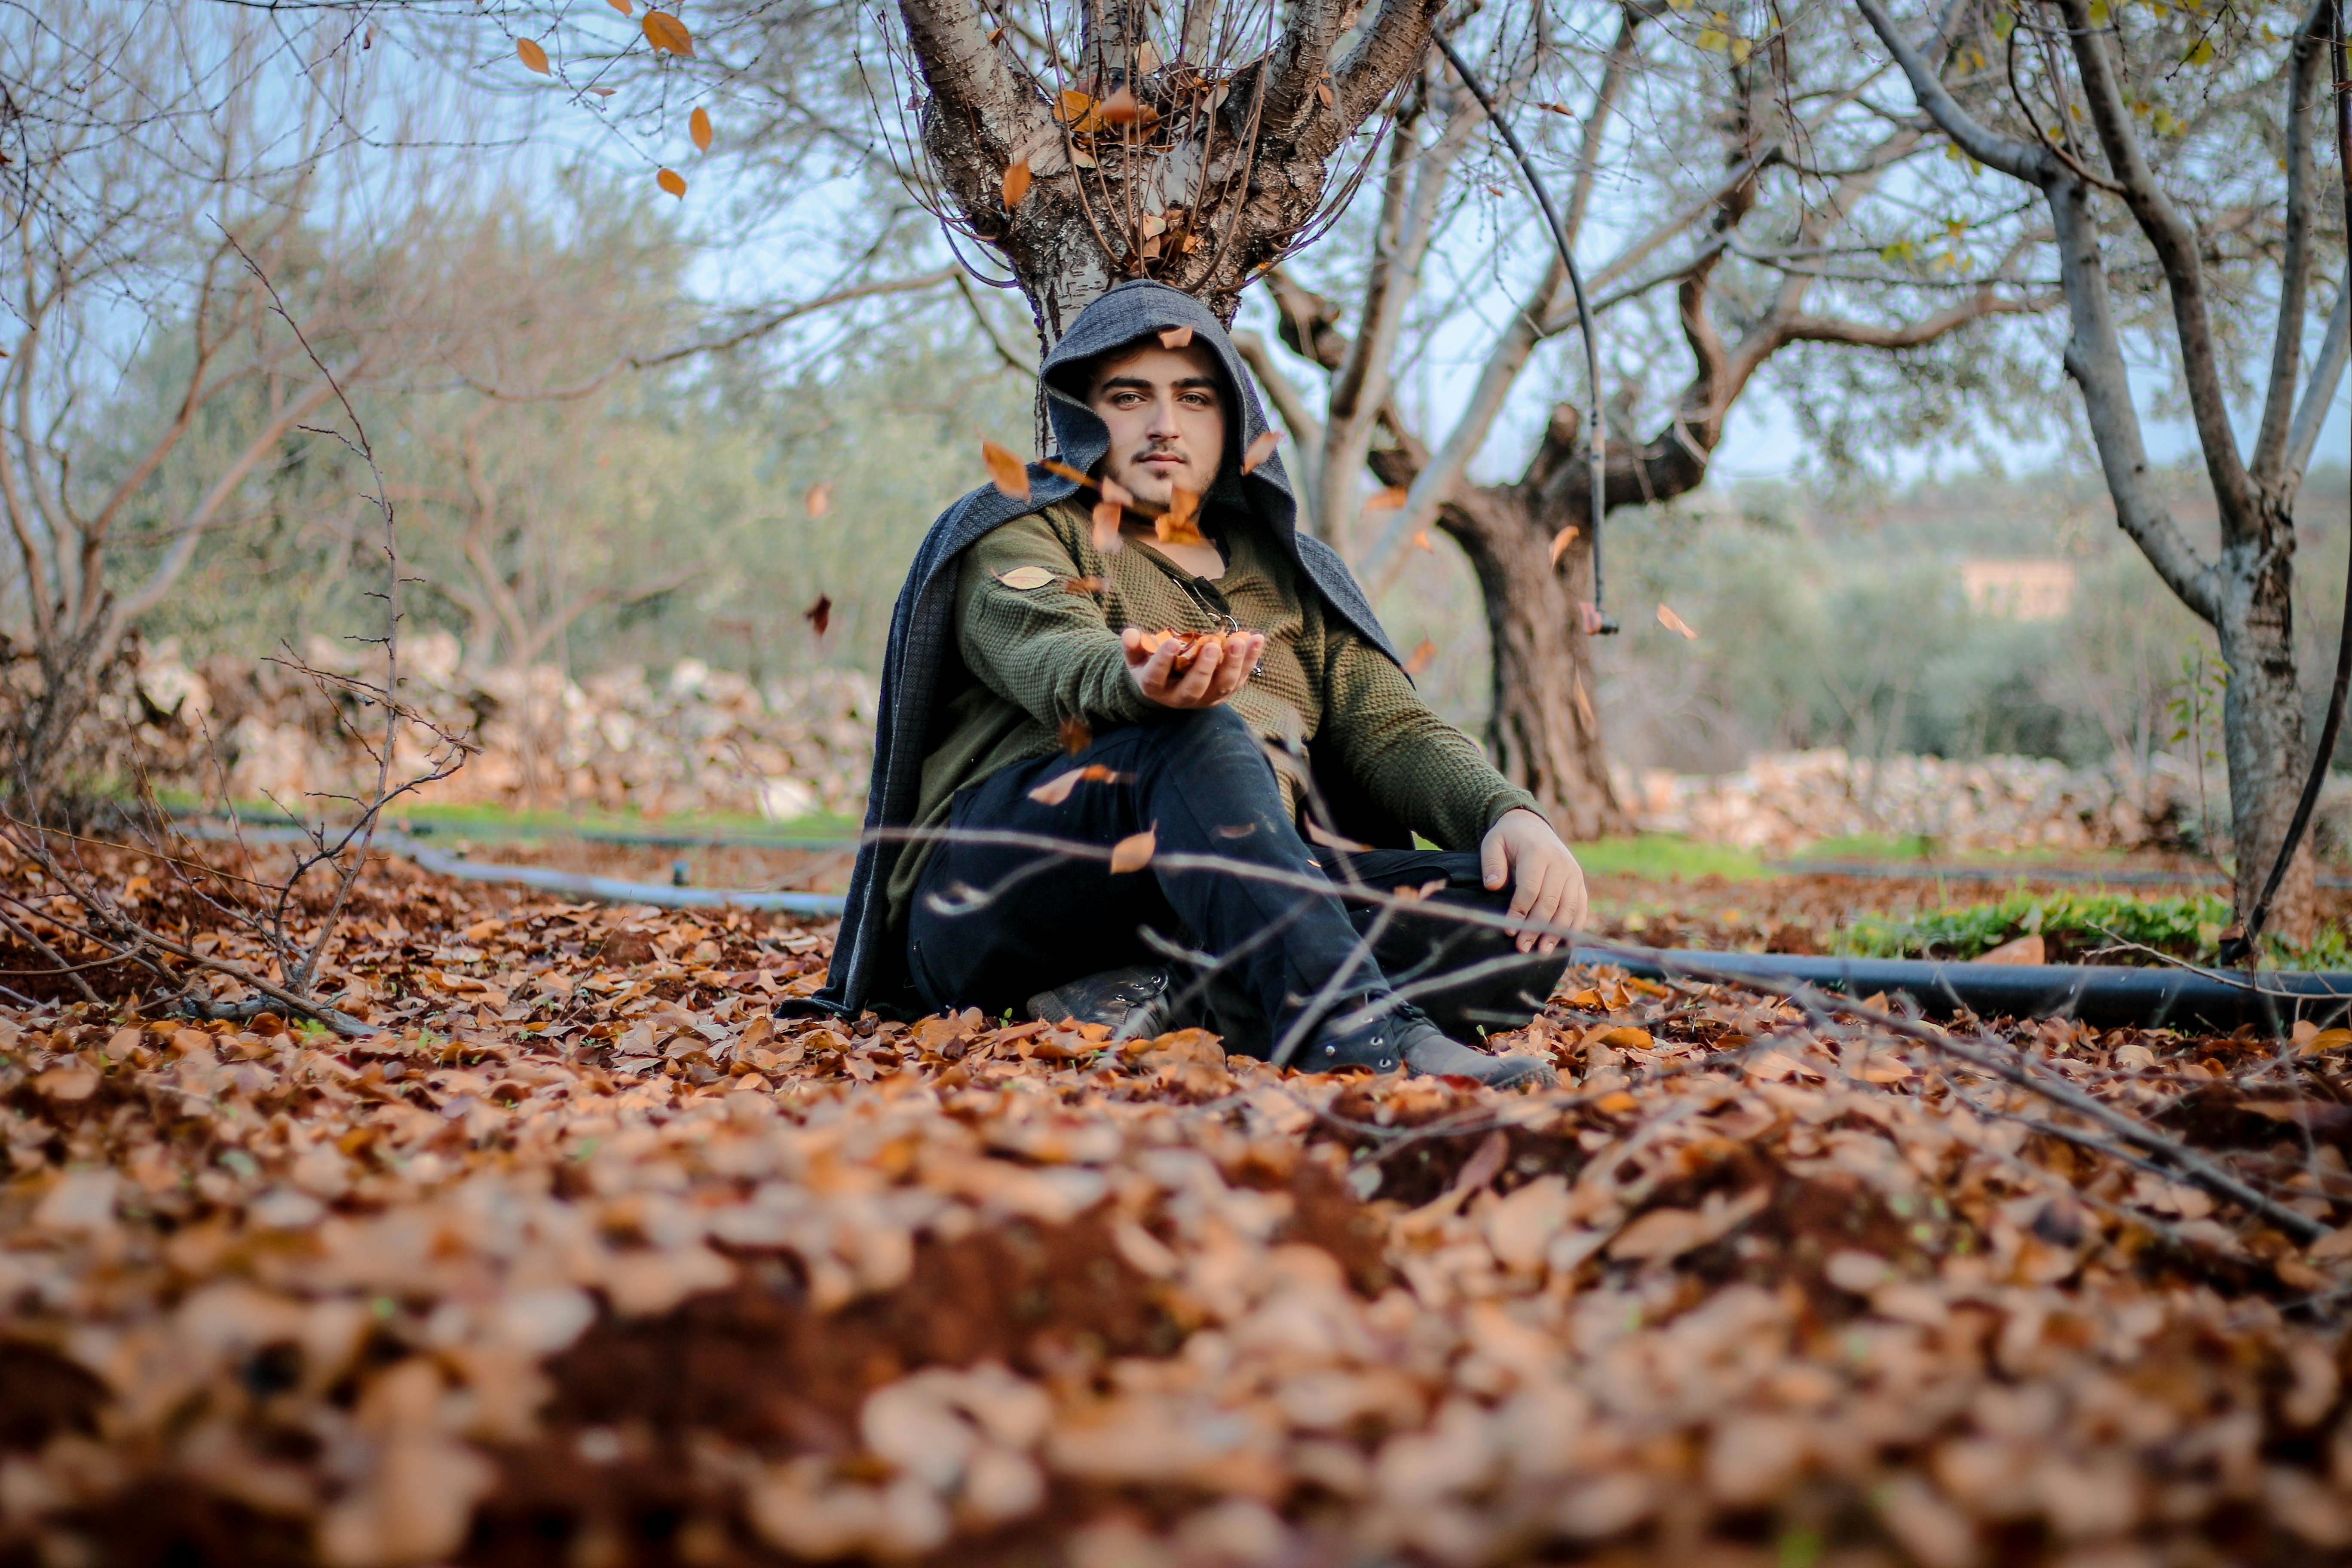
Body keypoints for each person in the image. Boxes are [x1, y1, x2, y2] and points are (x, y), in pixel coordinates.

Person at [787, 280, 1586, 1086]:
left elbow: (1392, 729)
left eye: (1193, 398)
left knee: (1511, 915)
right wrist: (1135, 680)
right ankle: (1368, 1039)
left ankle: (1151, 997)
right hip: (1005, 889)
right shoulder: (1024, 528)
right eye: (1131, 397)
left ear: (1232, 419)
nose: (1164, 424)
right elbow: (1049, 655)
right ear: (1084, 415)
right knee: (1197, 734)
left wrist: (1503, 811)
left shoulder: (1295, 579)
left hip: (1243, 891)